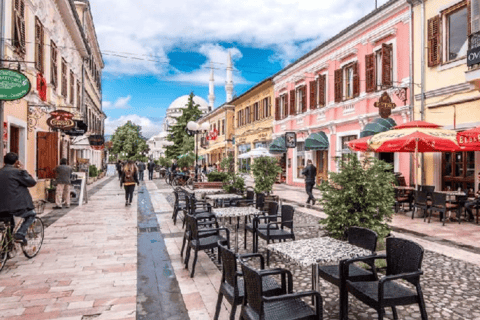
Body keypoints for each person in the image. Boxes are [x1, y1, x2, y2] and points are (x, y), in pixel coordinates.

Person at [0, 152, 37, 245]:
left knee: (8, 223)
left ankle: (6, 250)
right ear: (16, 162)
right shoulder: (18, 172)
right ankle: (20, 234)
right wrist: (23, 169)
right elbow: (32, 182)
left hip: (1, 206)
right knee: (31, 214)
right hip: (16, 206)